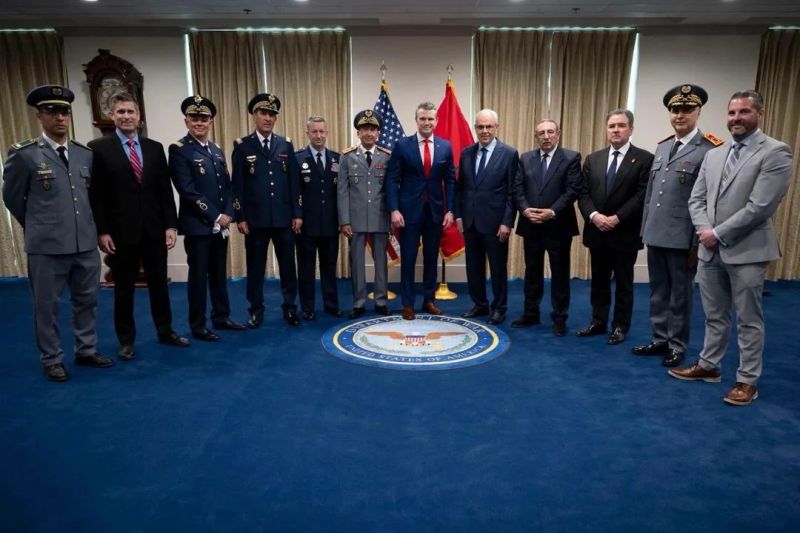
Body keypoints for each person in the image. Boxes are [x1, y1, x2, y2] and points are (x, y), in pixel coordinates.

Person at [669, 90, 792, 406]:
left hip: (747, 250)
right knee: (714, 315)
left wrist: (717, 233)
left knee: (749, 319)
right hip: (710, 250)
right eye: (732, 113)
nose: (736, 118)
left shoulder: (776, 152)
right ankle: (709, 366)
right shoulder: (714, 154)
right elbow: (696, 199)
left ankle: (747, 380)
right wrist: (703, 231)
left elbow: (760, 206)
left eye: (744, 112)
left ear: (759, 114)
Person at [2, 85, 114, 381]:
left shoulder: (83, 154)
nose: (60, 118)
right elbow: (12, 198)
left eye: (64, 111)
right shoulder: (24, 154)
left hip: (84, 242)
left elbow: (90, 197)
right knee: (47, 306)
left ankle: (86, 349)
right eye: (52, 111)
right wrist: (39, 224)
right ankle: (51, 358)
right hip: (47, 246)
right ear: (40, 116)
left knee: (87, 299)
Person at [88, 93, 188, 361]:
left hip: (154, 229)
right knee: (124, 288)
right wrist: (102, 230)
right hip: (120, 234)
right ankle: (126, 340)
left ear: (139, 117)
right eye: (120, 112)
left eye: (130, 112)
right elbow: (96, 196)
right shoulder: (98, 148)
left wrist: (171, 225)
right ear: (113, 116)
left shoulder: (154, 148)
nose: (126, 116)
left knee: (159, 285)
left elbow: (164, 190)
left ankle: (165, 331)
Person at [633, 84, 722, 367]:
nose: (679, 115)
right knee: (658, 290)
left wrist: (697, 241)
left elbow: (709, 200)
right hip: (657, 232)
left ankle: (677, 344)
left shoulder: (710, 149)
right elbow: (651, 195)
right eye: (675, 109)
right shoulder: (662, 146)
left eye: (686, 109)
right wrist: (644, 230)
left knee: (680, 293)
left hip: (684, 236)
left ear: (698, 112)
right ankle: (659, 337)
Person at [168, 95, 246, 342]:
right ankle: (198, 325)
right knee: (199, 277)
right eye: (194, 118)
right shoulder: (179, 150)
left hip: (219, 226)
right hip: (198, 227)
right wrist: (216, 215)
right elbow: (187, 190)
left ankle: (221, 317)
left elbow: (227, 186)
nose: (199, 122)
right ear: (186, 120)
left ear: (211, 121)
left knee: (218, 274)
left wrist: (229, 213)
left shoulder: (216, 150)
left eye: (203, 118)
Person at [577, 109, 653, 345]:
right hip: (597, 230)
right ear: (607, 129)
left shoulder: (644, 159)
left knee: (623, 283)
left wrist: (617, 218)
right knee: (599, 281)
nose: (616, 130)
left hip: (624, 232)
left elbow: (642, 195)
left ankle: (620, 326)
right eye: (612, 126)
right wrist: (595, 216)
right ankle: (597, 321)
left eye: (621, 125)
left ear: (631, 129)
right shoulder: (594, 158)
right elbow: (583, 193)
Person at [231, 93, 302, 328]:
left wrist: (297, 213)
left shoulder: (285, 144)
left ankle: (290, 308)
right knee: (255, 268)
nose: (268, 118)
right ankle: (256, 310)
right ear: (254, 116)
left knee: (288, 267)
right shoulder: (242, 146)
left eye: (272, 114)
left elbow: (294, 184)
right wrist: (240, 216)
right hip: (255, 221)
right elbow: (237, 186)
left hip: (283, 220)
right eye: (263, 113)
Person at [386, 102, 456, 320]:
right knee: (408, 258)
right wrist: (394, 209)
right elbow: (392, 179)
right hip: (408, 213)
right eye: (422, 119)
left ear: (436, 121)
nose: (427, 123)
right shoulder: (402, 145)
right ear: (416, 121)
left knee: (431, 258)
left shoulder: (445, 147)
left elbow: (451, 182)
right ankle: (407, 303)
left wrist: (450, 210)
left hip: (435, 213)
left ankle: (428, 300)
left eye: (430, 119)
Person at [511, 119, 582, 335]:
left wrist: (551, 212)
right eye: (541, 132)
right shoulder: (525, 158)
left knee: (560, 274)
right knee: (531, 272)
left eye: (550, 131)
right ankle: (530, 313)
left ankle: (559, 317)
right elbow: (518, 188)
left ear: (558, 134)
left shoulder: (571, 157)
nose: (546, 136)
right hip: (531, 224)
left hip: (557, 225)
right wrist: (524, 210)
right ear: (536, 136)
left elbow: (572, 190)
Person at [455, 109, 519, 325]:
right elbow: (460, 188)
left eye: (488, 126)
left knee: (498, 268)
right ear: (475, 128)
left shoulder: (509, 154)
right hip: (470, 221)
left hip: (496, 224)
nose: (484, 131)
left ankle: (499, 308)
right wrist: (458, 216)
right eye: (480, 126)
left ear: (496, 127)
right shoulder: (466, 153)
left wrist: (507, 222)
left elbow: (512, 192)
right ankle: (480, 304)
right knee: (473, 267)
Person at [337, 110, 392, 319]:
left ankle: (381, 300)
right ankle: (359, 302)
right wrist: (344, 221)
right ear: (358, 132)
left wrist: (390, 219)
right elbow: (342, 191)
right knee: (357, 264)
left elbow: (390, 189)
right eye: (364, 129)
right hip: (356, 219)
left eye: (372, 129)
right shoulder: (347, 157)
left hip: (380, 217)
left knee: (381, 263)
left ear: (378, 133)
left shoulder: (387, 156)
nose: (368, 133)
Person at [296, 116, 342, 320]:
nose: (318, 135)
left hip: (331, 225)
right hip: (306, 225)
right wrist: (296, 216)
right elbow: (293, 192)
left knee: (329, 268)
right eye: (314, 131)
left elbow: (341, 194)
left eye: (322, 131)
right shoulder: (297, 158)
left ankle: (331, 305)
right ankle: (307, 308)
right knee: (306, 269)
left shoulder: (337, 159)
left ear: (327, 132)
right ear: (308, 133)